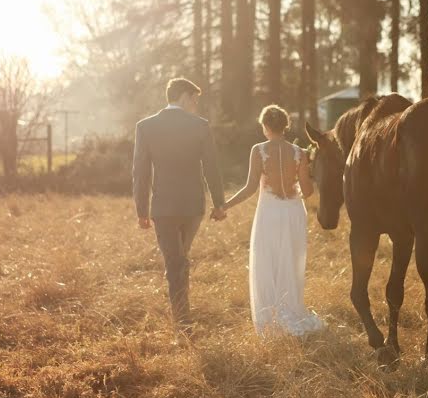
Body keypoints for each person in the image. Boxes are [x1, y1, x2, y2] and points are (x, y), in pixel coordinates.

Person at [132, 78, 227, 329]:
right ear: (183, 96)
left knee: (176, 260)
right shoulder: (200, 126)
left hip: (163, 207)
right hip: (193, 206)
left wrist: (141, 210)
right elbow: (212, 168)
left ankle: (181, 319)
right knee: (179, 259)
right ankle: (183, 318)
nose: (196, 104)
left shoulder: (146, 127)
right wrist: (219, 203)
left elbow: (140, 172)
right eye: (194, 99)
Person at [224, 105, 325, 336]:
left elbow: (250, 188)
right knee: (291, 260)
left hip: (269, 212)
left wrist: (225, 206)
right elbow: (308, 192)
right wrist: (307, 173)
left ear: (265, 126)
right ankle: (291, 309)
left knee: (268, 261)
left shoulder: (258, 150)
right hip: (292, 211)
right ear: (286, 126)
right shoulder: (300, 152)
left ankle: (270, 317)